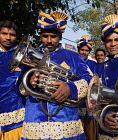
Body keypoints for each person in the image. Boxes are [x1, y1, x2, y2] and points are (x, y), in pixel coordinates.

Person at [21, 11, 92, 140]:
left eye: (53, 36)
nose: (48, 40)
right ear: (40, 36)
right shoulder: (30, 55)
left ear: (60, 37)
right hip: (35, 121)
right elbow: (19, 88)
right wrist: (30, 83)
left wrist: (70, 88)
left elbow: (91, 81)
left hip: (66, 120)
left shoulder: (73, 56)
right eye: (45, 36)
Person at [0, 20, 27, 139]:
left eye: (12, 35)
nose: (8, 37)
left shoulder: (23, 55)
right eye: (4, 34)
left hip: (16, 114)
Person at [77, 35, 97, 140]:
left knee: (90, 130)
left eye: (86, 50)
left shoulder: (94, 64)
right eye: (82, 50)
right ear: (78, 49)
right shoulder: (73, 62)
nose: (84, 52)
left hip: (90, 100)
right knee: (78, 128)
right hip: (77, 100)